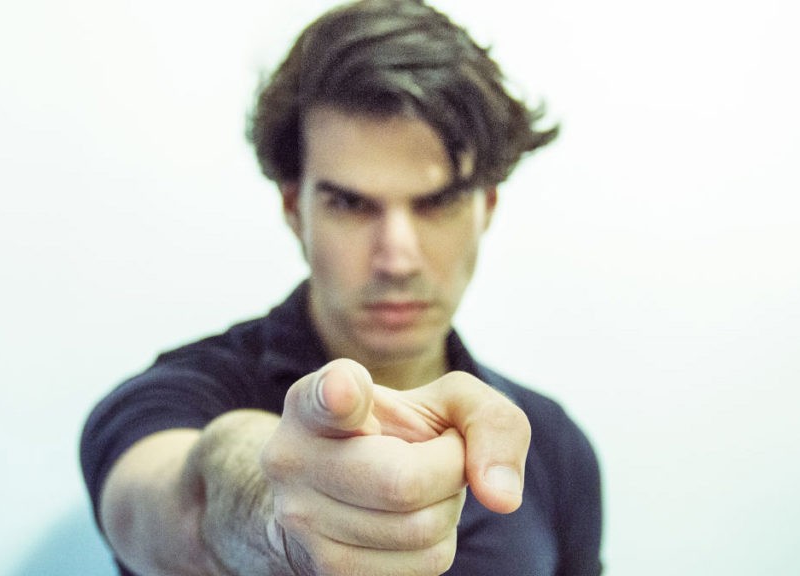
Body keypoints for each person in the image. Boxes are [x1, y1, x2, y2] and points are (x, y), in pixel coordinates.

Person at [80, 0, 603, 574]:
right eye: (351, 204)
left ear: (488, 208)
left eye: (438, 202)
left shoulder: (552, 444)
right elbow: (171, 498)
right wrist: (270, 515)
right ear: (293, 209)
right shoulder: (176, 398)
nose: (397, 258)